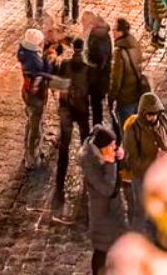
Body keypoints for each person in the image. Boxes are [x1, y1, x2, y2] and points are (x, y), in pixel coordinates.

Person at [120, 92, 167, 231]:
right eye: (149, 114)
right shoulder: (133, 129)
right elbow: (132, 160)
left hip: (162, 175)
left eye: (155, 114)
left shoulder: (163, 120)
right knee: (142, 211)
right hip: (142, 177)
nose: (152, 117)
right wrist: (153, 161)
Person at [81, 126, 127, 275]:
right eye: (112, 146)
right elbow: (107, 189)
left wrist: (120, 157)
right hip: (102, 216)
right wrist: (111, 163)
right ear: (102, 149)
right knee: (101, 252)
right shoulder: (90, 164)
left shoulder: (105, 154)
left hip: (114, 211)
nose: (115, 148)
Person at [53, 37, 92, 212]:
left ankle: (59, 185)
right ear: (83, 49)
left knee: (64, 147)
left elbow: (57, 87)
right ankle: (88, 179)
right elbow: (92, 92)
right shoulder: (88, 69)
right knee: (85, 143)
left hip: (66, 110)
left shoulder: (65, 65)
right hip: (82, 110)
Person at [17, 27, 55, 169]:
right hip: (36, 97)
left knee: (31, 121)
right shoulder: (34, 61)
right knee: (35, 126)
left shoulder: (24, 52)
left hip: (27, 94)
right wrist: (49, 63)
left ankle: (29, 151)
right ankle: (32, 157)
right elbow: (43, 75)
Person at [109, 17, 144, 128]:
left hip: (125, 98)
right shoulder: (135, 44)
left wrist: (111, 99)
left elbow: (116, 80)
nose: (112, 32)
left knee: (126, 131)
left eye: (114, 30)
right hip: (137, 94)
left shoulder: (119, 52)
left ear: (120, 32)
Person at [85, 12, 113, 127]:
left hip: (98, 79)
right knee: (97, 105)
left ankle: (98, 129)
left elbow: (100, 59)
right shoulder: (101, 34)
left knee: (97, 106)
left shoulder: (98, 36)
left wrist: (88, 59)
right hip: (100, 78)